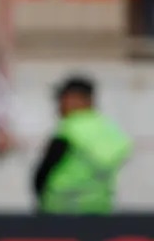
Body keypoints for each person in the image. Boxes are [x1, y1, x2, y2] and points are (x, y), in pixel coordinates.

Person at [32, 74, 132, 214]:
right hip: (99, 207)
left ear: (76, 99)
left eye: (62, 99)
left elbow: (45, 170)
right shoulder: (109, 129)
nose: (59, 105)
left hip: (60, 208)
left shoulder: (70, 128)